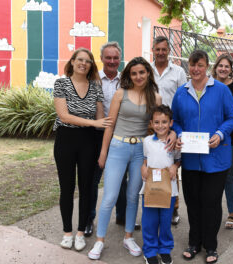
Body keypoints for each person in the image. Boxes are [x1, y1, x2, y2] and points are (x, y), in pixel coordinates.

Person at [88, 57, 166, 260]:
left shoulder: (156, 98)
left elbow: (158, 125)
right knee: (110, 197)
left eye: (142, 72)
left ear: (148, 73)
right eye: (134, 73)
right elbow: (110, 124)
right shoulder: (120, 94)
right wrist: (103, 152)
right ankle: (99, 240)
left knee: (133, 196)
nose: (138, 76)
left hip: (141, 150)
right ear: (128, 76)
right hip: (118, 147)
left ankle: (128, 236)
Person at [172, 50, 233, 264]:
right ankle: (194, 243)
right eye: (192, 64)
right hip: (191, 159)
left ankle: (211, 245)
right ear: (188, 66)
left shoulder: (220, 90)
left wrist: (220, 134)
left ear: (206, 66)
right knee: (192, 202)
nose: (195, 69)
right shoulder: (181, 92)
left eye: (200, 65)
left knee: (211, 203)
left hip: (216, 159)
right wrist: (180, 134)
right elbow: (175, 121)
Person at [53, 48, 112, 251]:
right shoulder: (61, 83)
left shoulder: (96, 86)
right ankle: (67, 232)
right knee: (67, 188)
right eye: (80, 60)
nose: (83, 63)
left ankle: (80, 232)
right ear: (72, 61)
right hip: (66, 139)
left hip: (88, 140)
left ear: (91, 65)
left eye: (88, 61)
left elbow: (100, 117)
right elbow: (64, 116)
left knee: (87, 187)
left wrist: (99, 126)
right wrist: (93, 123)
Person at [85, 41, 131, 237]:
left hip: (121, 136)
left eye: (115, 58)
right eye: (108, 57)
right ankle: (88, 220)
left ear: (120, 59)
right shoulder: (92, 80)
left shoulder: (127, 81)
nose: (112, 61)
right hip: (96, 137)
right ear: (102, 58)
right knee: (93, 180)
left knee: (122, 180)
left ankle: (121, 216)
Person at [151, 36, 187, 225]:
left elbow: (182, 99)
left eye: (164, 49)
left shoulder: (179, 71)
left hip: (172, 126)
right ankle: (153, 202)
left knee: (173, 167)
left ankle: (173, 207)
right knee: (152, 166)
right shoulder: (147, 70)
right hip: (152, 126)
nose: (161, 52)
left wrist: (176, 128)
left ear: (169, 51)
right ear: (153, 50)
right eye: (157, 49)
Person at [139, 105, 181, 264]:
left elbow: (178, 160)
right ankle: (149, 250)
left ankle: (165, 249)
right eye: (156, 122)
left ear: (171, 123)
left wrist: (174, 167)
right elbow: (145, 159)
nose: (160, 125)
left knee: (165, 221)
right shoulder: (147, 141)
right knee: (149, 221)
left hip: (168, 189)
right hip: (149, 188)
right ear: (151, 123)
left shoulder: (174, 142)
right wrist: (143, 167)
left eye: (164, 122)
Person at [211, 54, 233, 230]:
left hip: (231, 139)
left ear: (231, 69)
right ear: (215, 67)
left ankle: (231, 212)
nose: (223, 69)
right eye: (220, 66)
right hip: (210, 140)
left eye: (227, 66)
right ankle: (213, 210)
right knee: (212, 176)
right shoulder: (208, 85)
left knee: (229, 177)